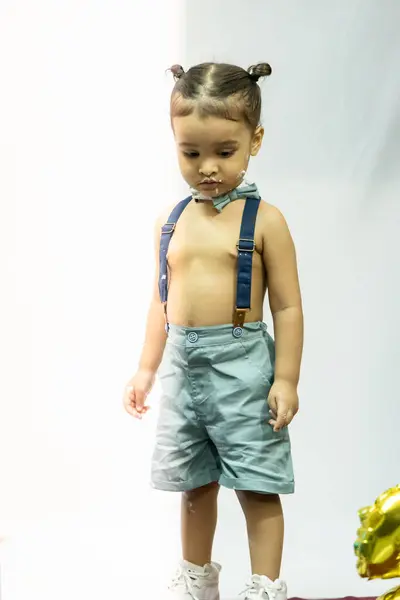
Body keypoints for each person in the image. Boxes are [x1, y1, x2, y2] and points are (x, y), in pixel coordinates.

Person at [123, 61, 304, 600]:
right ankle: (197, 579)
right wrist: (146, 368)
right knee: (193, 481)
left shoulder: (265, 220)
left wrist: (286, 379)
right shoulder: (171, 220)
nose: (207, 168)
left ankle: (265, 587)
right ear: (174, 141)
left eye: (224, 152)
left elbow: (289, 308)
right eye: (191, 152)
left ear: (256, 140)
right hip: (183, 366)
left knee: (257, 482)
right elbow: (162, 300)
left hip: (242, 366)